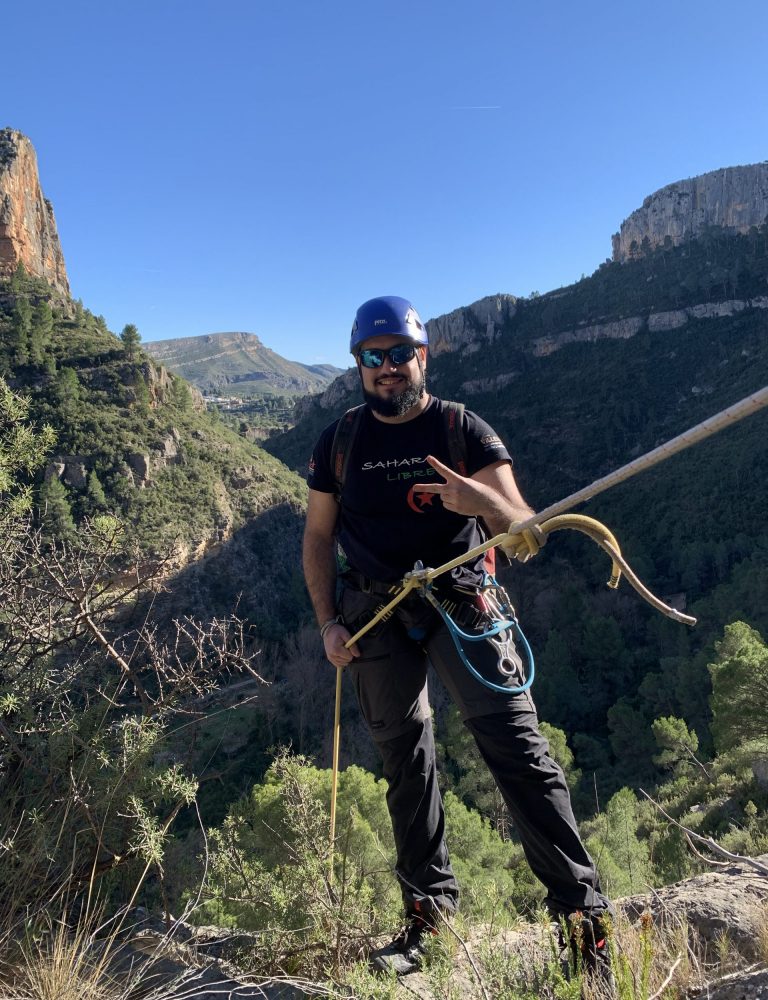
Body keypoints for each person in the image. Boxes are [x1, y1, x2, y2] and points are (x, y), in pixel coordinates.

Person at [302, 295, 613, 978]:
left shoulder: (462, 429)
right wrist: (329, 620)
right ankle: (427, 920)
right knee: (403, 761)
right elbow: (318, 538)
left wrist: (484, 505)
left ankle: (584, 928)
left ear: (423, 356)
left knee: (517, 749)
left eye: (399, 354)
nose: (387, 368)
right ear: (358, 365)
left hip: (463, 603)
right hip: (374, 612)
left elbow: (525, 532)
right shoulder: (339, 441)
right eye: (372, 357)